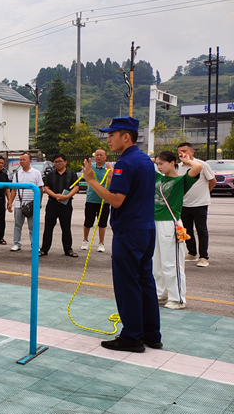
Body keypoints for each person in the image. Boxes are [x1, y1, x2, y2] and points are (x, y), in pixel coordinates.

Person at [82, 116, 160, 352]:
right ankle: (151, 334)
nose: (108, 139)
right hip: (146, 229)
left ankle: (131, 337)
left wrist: (91, 181)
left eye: (112, 135)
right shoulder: (146, 161)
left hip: (129, 231)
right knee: (145, 281)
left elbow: (116, 200)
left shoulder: (125, 164)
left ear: (126, 137)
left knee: (127, 284)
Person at [154, 151, 202, 310]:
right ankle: (161, 294)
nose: (159, 167)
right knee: (157, 263)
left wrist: (187, 161)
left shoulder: (182, 180)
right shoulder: (158, 177)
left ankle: (177, 298)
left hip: (170, 223)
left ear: (172, 162)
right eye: (158, 164)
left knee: (172, 262)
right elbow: (145, 163)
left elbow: (198, 167)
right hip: (154, 223)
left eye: (162, 163)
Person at [177, 142, 216, 268]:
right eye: (179, 152)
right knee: (186, 230)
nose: (182, 154)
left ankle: (203, 257)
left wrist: (206, 193)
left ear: (192, 152)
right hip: (184, 204)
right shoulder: (178, 167)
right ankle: (192, 253)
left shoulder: (202, 165)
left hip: (200, 204)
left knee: (201, 230)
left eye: (184, 151)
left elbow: (212, 181)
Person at [40, 153, 80, 257]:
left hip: (66, 205)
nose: (58, 164)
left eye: (60, 161)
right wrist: (55, 195)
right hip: (52, 204)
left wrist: (67, 196)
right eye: (56, 162)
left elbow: (76, 187)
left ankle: (68, 249)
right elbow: (47, 188)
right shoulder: (50, 174)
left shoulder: (71, 174)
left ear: (65, 162)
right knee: (48, 227)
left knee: (66, 228)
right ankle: (44, 249)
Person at [8, 152, 43, 252]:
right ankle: (17, 243)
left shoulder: (36, 173)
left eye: (24, 159)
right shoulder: (17, 174)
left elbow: (40, 188)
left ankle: (34, 245)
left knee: (33, 226)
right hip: (19, 204)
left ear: (30, 161)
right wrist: (10, 202)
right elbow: (13, 190)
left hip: (31, 204)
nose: (22, 161)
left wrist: (39, 202)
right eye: (21, 160)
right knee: (17, 225)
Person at [81, 149, 112, 253]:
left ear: (105, 157)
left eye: (101, 155)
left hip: (104, 200)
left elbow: (112, 182)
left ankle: (101, 243)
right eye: (97, 155)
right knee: (88, 221)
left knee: (102, 223)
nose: (98, 157)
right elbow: (86, 178)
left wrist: (111, 173)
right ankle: (85, 241)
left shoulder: (109, 168)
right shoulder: (91, 167)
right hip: (91, 199)